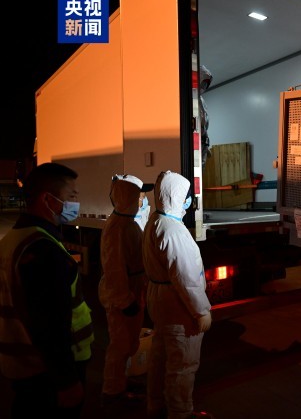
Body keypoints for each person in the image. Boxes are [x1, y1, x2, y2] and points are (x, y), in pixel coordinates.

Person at [0, 162, 94, 419]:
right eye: (71, 195)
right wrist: (66, 381)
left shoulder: (15, 239)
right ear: (47, 200)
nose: (75, 202)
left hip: (25, 368)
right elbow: (49, 322)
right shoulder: (42, 249)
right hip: (45, 374)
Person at [143, 170, 213, 419]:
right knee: (182, 363)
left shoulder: (156, 221)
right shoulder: (173, 230)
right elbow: (187, 278)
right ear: (175, 195)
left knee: (160, 357)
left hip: (160, 299)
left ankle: (155, 405)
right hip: (177, 305)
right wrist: (201, 311)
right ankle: (180, 412)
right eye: (185, 196)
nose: (187, 201)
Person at [98, 174, 153, 406]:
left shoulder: (127, 223)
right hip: (122, 295)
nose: (142, 200)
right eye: (138, 195)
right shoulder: (117, 227)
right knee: (120, 345)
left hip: (133, 291)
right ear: (127, 196)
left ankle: (121, 381)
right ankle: (112, 393)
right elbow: (114, 268)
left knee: (129, 343)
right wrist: (124, 299)